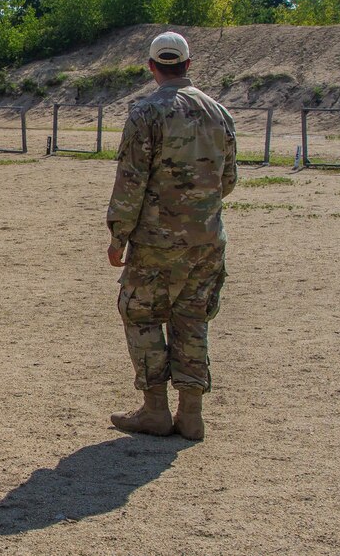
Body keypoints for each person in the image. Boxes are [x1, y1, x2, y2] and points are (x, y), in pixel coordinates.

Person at [107, 31, 237, 441]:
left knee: (141, 314)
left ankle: (155, 411)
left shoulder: (145, 113)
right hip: (206, 239)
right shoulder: (219, 112)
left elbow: (131, 181)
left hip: (157, 242)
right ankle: (192, 414)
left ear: (152, 67)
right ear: (188, 65)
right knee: (192, 318)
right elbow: (228, 179)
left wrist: (118, 235)